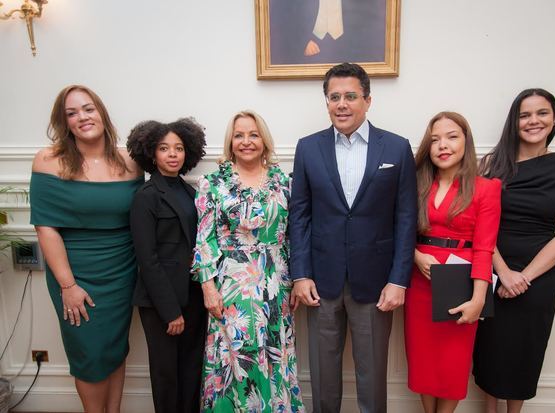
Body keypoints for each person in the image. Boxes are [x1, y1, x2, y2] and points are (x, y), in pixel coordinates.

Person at [289, 62, 417, 413]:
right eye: (334, 97)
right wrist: (300, 274)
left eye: (350, 96)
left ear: (368, 100)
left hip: (376, 283)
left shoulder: (396, 148)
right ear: (326, 101)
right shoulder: (308, 148)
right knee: (323, 376)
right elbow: (299, 215)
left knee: (372, 376)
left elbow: (406, 219)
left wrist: (398, 280)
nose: (341, 104)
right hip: (321, 280)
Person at [473, 88, 555, 413]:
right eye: (525, 115)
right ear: (514, 121)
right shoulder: (491, 165)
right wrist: (503, 272)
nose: (533, 121)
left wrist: (523, 278)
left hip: (538, 279)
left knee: (524, 354)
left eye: (542, 113)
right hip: (491, 271)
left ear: (553, 119)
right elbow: (479, 226)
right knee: (490, 351)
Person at [29, 85, 143, 412]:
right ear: (64, 123)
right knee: (89, 355)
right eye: (72, 113)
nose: (82, 117)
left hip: (122, 271)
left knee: (114, 348)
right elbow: (45, 227)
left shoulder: (131, 163)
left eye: (88, 109)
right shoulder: (48, 161)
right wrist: (68, 285)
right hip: (75, 274)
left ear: (101, 113)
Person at [193, 110, 305, 412]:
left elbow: (293, 236)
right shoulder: (212, 183)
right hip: (231, 287)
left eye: (253, 134)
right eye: (239, 135)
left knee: (274, 355)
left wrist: (297, 279)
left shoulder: (285, 183)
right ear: (231, 142)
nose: (246, 141)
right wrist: (208, 288)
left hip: (276, 284)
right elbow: (205, 239)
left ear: (264, 140)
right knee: (234, 360)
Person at [404, 112, 501, 413]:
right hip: (419, 283)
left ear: (465, 142)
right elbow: (399, 230)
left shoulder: (486, 188)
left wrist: (478, 300)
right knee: (422, 363)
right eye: (435, 139)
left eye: (452, 136)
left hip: (462, 284)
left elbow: (485, 249)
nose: (442, 145)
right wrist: (416, 256)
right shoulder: (416, 183)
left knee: (452, 366)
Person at [127, 118, 206, 413]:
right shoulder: (146, 197)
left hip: (193, 297)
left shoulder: (190, 193)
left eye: (179, 148)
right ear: (151, 153)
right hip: (162, 302)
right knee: (166, 377)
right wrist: (170, 311)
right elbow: (147, 259)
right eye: (164, 148)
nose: (173, 154)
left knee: (191, 371)